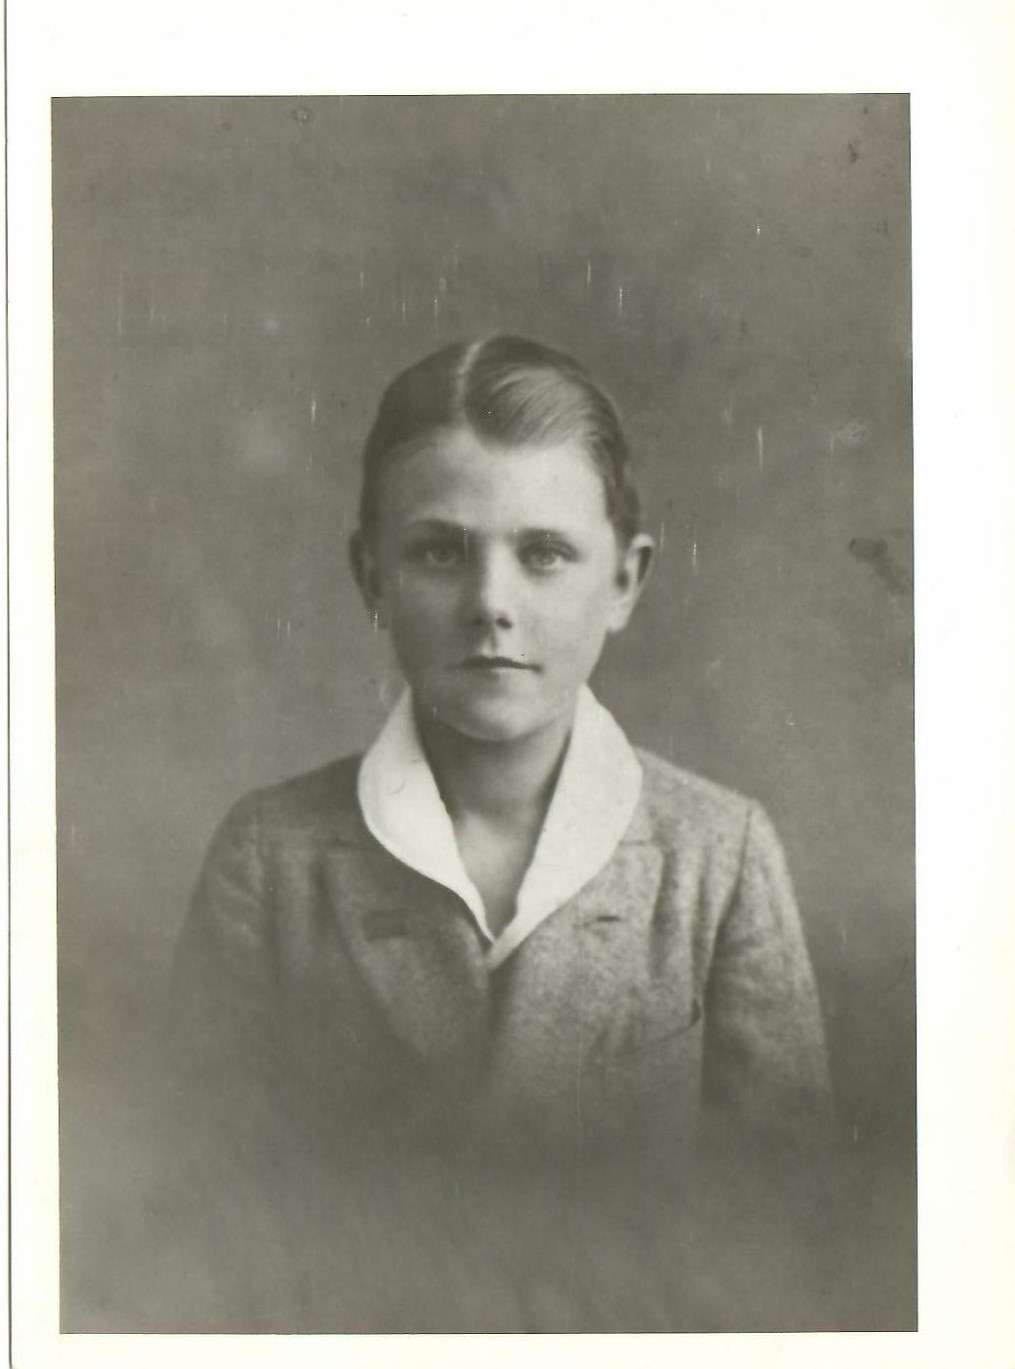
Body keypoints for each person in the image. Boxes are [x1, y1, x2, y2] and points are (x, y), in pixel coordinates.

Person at [167, 335, 833, 1331]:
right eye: (439, 552)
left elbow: (785, 1235)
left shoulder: (717, 856)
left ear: (624, 580)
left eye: (544, 554)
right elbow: (191, 1222)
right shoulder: (272, 859)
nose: (490, 604)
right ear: (370, 576)